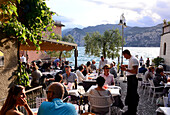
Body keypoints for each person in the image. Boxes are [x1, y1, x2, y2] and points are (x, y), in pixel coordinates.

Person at [121, 49, 139, 115]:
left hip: (133, 79)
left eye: (124, 55)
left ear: (126, 54)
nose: (124, 57)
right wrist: (126, 66)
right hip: (130, 79)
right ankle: (130, 110)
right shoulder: (131, 59)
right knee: (130, 94)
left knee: (133, 95)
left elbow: (135, 71)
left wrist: (125, 69)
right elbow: (131, 68)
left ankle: (133, 111)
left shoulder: (133, 59)